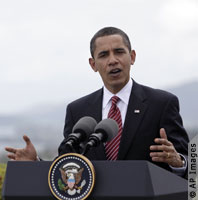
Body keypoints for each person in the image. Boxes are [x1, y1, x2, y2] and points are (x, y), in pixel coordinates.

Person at [5, 27, 189, 178]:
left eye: (119, 52)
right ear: (93, 64)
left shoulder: (162, 103)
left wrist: (178, 161)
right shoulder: (77, 110)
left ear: (132, 57)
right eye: (103, 55)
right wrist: (35, 163)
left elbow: (191, 164)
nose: (112, 60)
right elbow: (68, 164)